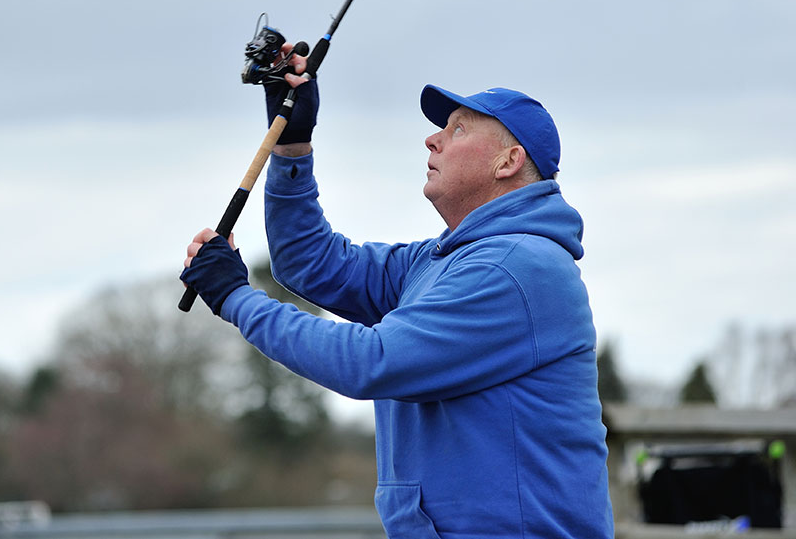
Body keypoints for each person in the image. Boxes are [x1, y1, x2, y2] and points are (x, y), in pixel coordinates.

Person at [181, 47, 614, 539]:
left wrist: (237, 297)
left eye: (457, 130)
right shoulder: (440, 262)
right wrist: (292, 147)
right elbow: (311, 263)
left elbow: (370, 361)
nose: (432, 140)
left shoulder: (513, 268)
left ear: (508, 162)